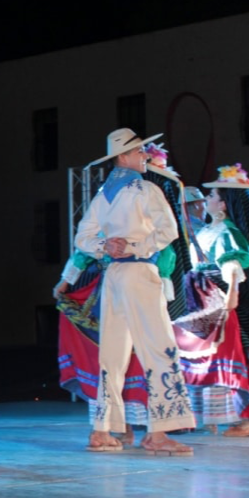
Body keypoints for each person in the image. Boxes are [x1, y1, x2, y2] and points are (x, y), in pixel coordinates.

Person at [53, 141, 189, 444]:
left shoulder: (104, 194)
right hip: (139, 271)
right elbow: (168, 230)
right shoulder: (145, 189)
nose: (145, 156)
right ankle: (160, 431)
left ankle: (102, 430)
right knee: (158, 345)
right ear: (124, 157)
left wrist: (105, 246)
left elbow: (82, 237)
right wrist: (134, 247)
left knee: (112, 354)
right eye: (140, 152)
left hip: (113, 275)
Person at [176, 165, 249, 436]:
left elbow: (232, 267)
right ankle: (213, 417)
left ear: (224, 204)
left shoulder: (227, 232)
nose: (206, 200)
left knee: (221, 361)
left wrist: (230, 298)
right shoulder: (210, 229)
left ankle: (244, 421)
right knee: (202, 360)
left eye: (211, 196)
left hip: (215, 303)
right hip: (200, 302)